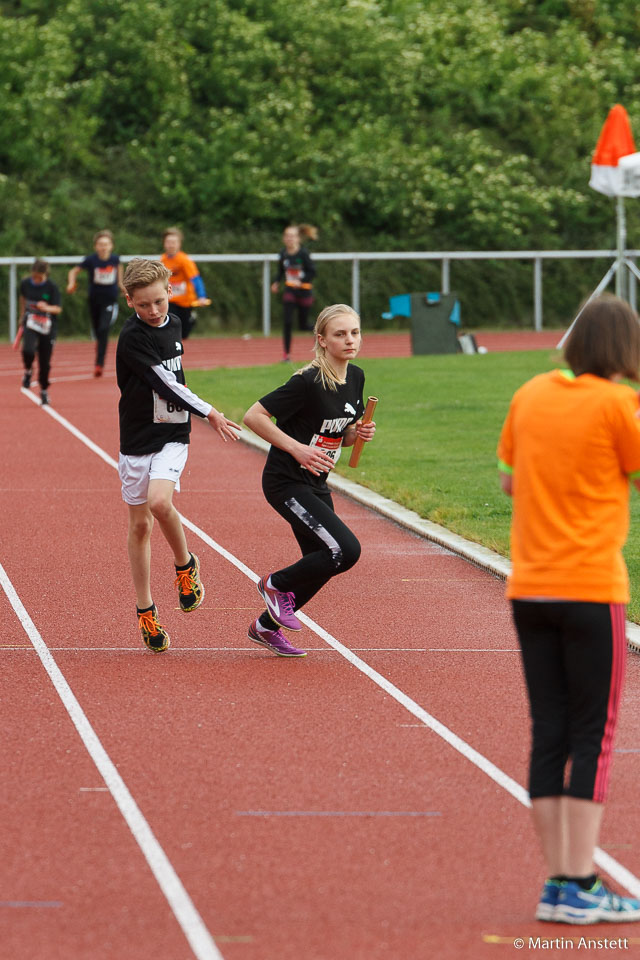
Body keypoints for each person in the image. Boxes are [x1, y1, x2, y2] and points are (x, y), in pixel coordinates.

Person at [497, 294, 640, 925]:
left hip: (530, 585)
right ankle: (580, 882)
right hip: (589, 587)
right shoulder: (620, 404)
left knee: (550, 730)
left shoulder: (531, 393)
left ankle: (560, 883)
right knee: (593, 735)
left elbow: (508, 479)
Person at [116, 258, 241, 652]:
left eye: (159, 301)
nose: (153, 311)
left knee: (159, 502)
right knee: (139, 527)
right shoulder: (132, 338)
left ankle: (185, 565)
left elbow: (175, 384)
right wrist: (210, 411)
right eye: (143, 305)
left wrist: (202, 414)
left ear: (170, 290)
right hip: (136, 438)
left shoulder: (175, 323)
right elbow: (165, 383)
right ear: (129, 301)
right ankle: (146, 610)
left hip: (172, 435)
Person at [243, 303, 375, 657]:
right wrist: (296, 449)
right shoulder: (307, 381)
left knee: (323, 562)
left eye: (354, 333)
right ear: (322, 340)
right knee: (345, 550)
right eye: (340, 334)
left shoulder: (356, 377)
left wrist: (357, 433)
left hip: (317, 482)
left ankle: (265, 627)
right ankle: (274, 584)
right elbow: (253, 416)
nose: (350, 340)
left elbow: (339, 435)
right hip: (287, 481)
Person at [67, 229, 125, 377]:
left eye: (106, 244)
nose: (103, 247)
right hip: (94, 300)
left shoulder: (115, 260)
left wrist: (126, 291)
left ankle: (99, 363)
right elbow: (73, 271)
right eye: (100, 244)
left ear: (111, 246)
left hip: (110, 301)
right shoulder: (91, 260)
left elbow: (120, 281)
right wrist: (71, 283)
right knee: (98, 331)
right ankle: (100, 349)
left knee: (103, 329)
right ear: (95, 246)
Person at [17, 259, 62, 406]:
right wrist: (22, 315)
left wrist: (46, 308)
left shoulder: (52, 287)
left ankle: (43, 390)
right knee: (28, 350)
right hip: (31, 323)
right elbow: (23, 298)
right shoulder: (25, 284)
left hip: (47, 326)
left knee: (44, 361)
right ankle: (28, 370)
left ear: (45, 275)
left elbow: (58, 309)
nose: (36, 279)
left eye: (39, 277)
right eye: (34, 276)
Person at [271, 223, 317, 362]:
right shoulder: (283, 254)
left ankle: (321, 332)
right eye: (287, 236)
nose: (289, 238)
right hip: (290, 290)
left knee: (303, 325)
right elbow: (280, 271)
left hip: (304, 292)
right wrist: (276, 282)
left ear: (298, 238)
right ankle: (286, 355)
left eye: (292, 236)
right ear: (283, 238)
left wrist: (301, 280)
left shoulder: (303, 253)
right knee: (287, 321)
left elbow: (312, 272)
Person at [160, 227, 209, 341]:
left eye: (173, 242)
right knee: (170, 328)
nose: (171, 245)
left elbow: (195, 278)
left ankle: (191, 319)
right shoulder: (162, 260)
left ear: (179, 244)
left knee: (184, 333)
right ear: (164, 244)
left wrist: (201, 296)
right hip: (170, 301)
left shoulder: (184, 260)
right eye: (168, 242)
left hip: (185, 302)